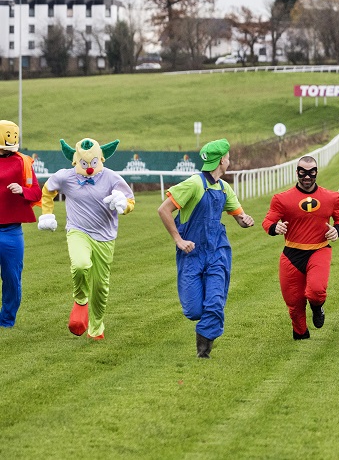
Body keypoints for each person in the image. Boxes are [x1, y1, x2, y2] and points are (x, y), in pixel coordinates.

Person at [157, 139, 254, 358]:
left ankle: (204, 351)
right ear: (222, 160)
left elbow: (238, 216)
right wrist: (178, 240)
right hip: (191, 253)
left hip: (218, 251)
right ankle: (204, 331)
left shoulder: (224, 188)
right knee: (194, 310)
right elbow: (164, 210)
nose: (229, 161)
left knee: (215, 302)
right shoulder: (194, 184)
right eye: (228, 157)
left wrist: (244, 220)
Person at [37, 137, 135, 340]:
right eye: (84, 164)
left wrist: (123, 205)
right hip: (78, 231)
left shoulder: (111, 178)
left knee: (100, 285)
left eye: (93, 163)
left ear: (101, 159)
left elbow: (130, 200)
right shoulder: (66, 177)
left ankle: (96, 328)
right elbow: (47, 191)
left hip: (105, 237)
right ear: (75, 161)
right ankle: (80, 300)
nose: (89, 169)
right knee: (81, 265)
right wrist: (47, 213)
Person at [262, 155, 339, 339]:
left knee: (316, 291)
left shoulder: (331, 197)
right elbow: (267, 221)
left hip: (319, 250)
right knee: (294, 302)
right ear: (297, 172)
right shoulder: (281, 199)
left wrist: (337, 230)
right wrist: (275, 228)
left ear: (316, 172)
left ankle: (317, 308)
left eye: (311, 172)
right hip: (292, 254)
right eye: (303, 172)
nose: (307, 177)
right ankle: (301, 334)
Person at [0, 120, 41, 328]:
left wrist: (22, 190)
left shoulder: (23, 162)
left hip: (11, 231)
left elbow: (36, 192)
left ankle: (6, 321)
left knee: (11, 279)